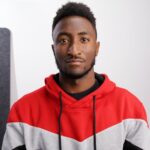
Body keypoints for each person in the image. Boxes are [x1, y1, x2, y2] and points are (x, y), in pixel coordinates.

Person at [2, 2, 150, 150]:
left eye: (84, 39)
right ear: (54, 49)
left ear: (97, 48)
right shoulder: (23, 111)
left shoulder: (129, 108)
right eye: (63, 41)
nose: (74, 50)